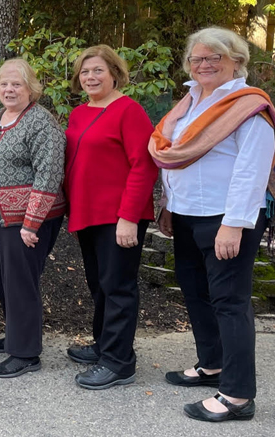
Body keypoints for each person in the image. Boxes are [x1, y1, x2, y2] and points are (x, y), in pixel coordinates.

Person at [150, 27, 275, 422]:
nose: (204, 65)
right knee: (195, 293)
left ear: (237, 61)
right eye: (197, 58)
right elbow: (177, 159)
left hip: (227, 217)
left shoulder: (248, 106)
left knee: (230, 302)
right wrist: (169, 206)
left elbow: (250, 171)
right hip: (187, 215)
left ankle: (238, 396)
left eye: (214, 58)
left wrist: (234, 225)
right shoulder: (189, 102)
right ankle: (213, 364)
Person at [64, 45, 157, 389]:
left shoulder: (128, 110)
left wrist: (129, 217)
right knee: (99, 285)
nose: (90, 77)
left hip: (119, 216)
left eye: (98, 71)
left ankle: (120, 362)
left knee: (118, 286)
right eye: (85, 72)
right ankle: (104, 344)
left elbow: (143, 165)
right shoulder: (79, 113)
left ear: (115, 74)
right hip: (88, 214)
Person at [0, 59, 66, 377]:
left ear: (31, 88)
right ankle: (17, 334)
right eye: (4, 84)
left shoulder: (41, 122)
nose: (10, 89)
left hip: (23, 219)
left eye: (17, 84)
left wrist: (32, 221)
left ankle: (25, 353)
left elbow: (49, 173)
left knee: (20, 283)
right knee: (3, 279)